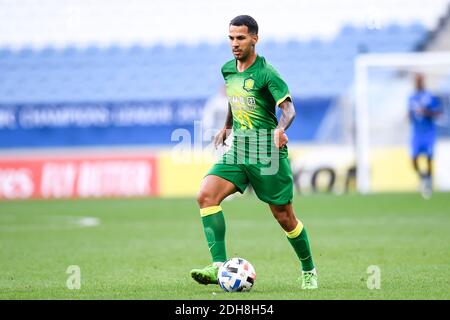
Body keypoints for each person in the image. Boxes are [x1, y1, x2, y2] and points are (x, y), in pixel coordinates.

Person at [190, 15, 318, 289]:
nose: (234, 44)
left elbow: (289, 110)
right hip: (239, 149)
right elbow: (233, 100)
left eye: (241, 38)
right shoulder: (228, 69)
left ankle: (308, 269)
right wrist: (226, 126)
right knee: (206, 195)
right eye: (231, 38)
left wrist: (280, 129)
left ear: (254, 39)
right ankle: (217, 267)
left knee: (284, 217)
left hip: (267, 153)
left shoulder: (267, 73)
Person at [408, 73, 441, 199]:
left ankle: (429, 181)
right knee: (414, 159)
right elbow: (410, 113)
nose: (417, 83)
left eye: (419, 81)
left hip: (428, 133)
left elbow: (438, 112)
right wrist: (409, 115)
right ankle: (423, 177)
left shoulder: (429, 97)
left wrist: (426, 112)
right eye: (416, 81)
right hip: (416, 133)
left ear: (423, 82)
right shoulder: (411, 98)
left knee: (429, 158)